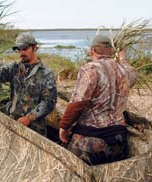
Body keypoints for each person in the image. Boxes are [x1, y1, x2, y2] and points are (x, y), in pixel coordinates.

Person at [59, 34, 137, 166]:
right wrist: (123, 58)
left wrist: (64, 127)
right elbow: (132, 73)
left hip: (90, 140)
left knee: (75, 174)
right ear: (112, 52)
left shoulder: (91, 68)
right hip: (118, 139)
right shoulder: (124, 70)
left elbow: (78, 104)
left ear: (92, 50)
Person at [0, 32, 57, 136]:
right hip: (12, 125)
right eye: (19, 50)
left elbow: (49, 102)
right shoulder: (14, 68)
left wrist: (29, 118)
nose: (21, 53)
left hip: (34, 131)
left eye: (24, 49)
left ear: (35, 48)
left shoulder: (46, 73)